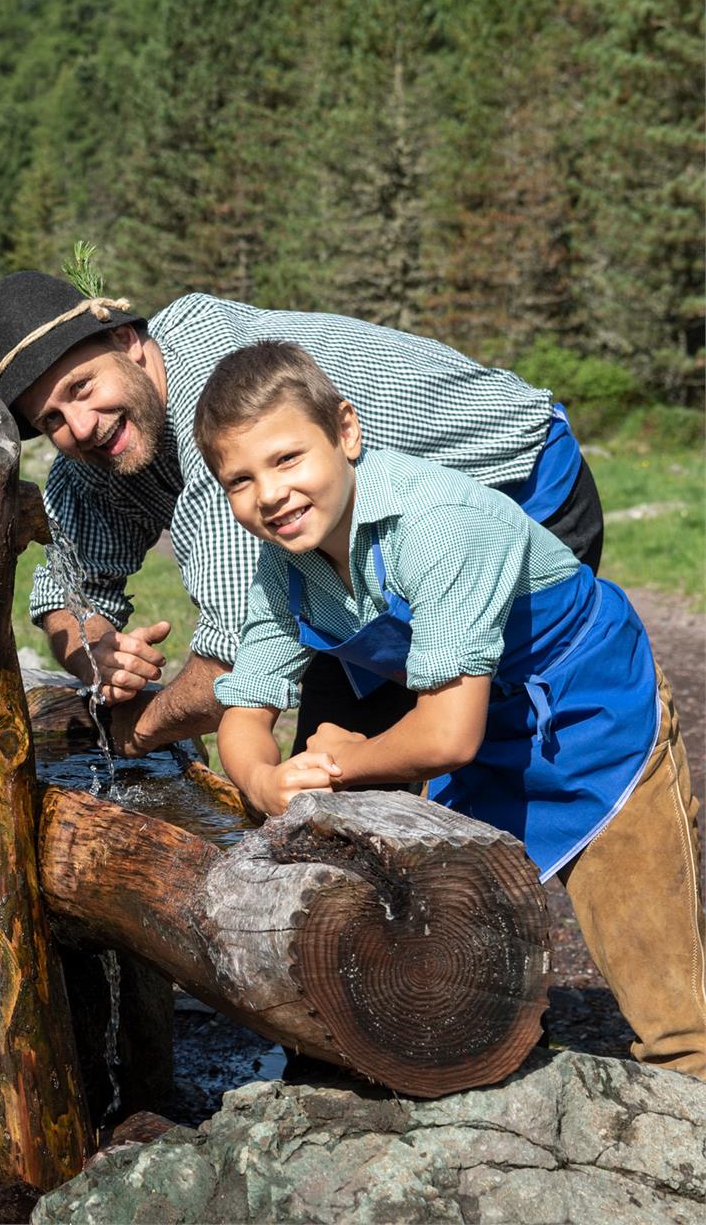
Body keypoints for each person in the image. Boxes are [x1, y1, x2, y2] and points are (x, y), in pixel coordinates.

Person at [193, 339, 703, 1078]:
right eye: (238, 481)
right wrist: (265, 781)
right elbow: (244, 708)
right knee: (455, 974)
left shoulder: (437, 522)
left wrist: (342, 760)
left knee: (672, 1014)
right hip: (486, 730)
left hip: (593, 718)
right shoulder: (283, 565)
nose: (269, 494)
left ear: (346, 431)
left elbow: (447, 734)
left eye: (287, 459)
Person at [0, 270, 602, 759]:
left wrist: (136, 729)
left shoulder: (218, 412)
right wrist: (99, 655)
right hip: (353, 552)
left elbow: (233, 651)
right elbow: (63, 591)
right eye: (51, 418)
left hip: (514, 487)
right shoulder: (97, 449)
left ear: (127, 342)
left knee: (514, 750)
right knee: (335, 802)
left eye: (81, 388)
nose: (79, 426)